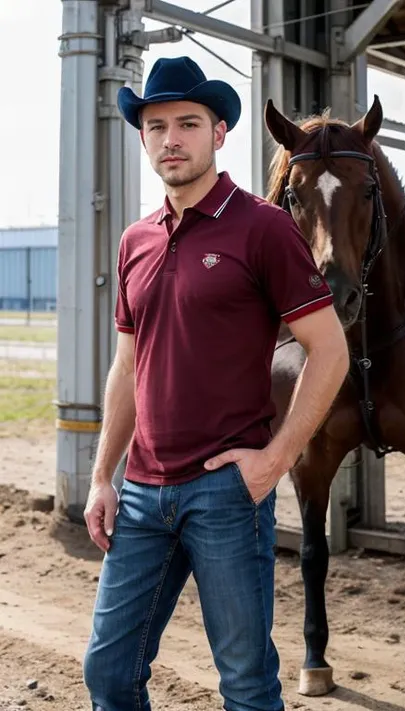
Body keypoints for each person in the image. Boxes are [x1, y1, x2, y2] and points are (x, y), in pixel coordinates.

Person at [82, 55, 349, 711]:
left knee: (247, 686)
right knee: (108, 675)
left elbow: (331, 351)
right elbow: (127, 366)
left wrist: (274, 460)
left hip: (227, 492)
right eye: (156, 126)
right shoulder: (135, 240)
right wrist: (100, 476)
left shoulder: (263, 227)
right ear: (143, 137)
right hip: (142, 493)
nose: (171, 138)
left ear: (219, 132)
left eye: (188, 123)